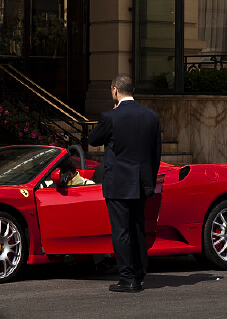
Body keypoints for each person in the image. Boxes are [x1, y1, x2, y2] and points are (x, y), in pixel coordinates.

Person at [87, 73, 161, 293]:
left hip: (118, 183)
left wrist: (114, 110)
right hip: (141, 182)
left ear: (115, 91)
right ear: (134, 91)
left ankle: (127, 278)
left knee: (120, 231)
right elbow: (156, 154)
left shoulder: (110, 117)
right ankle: (139, 272)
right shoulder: (151, 116)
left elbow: (92, 140)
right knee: (137, 228)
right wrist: (149, 180)